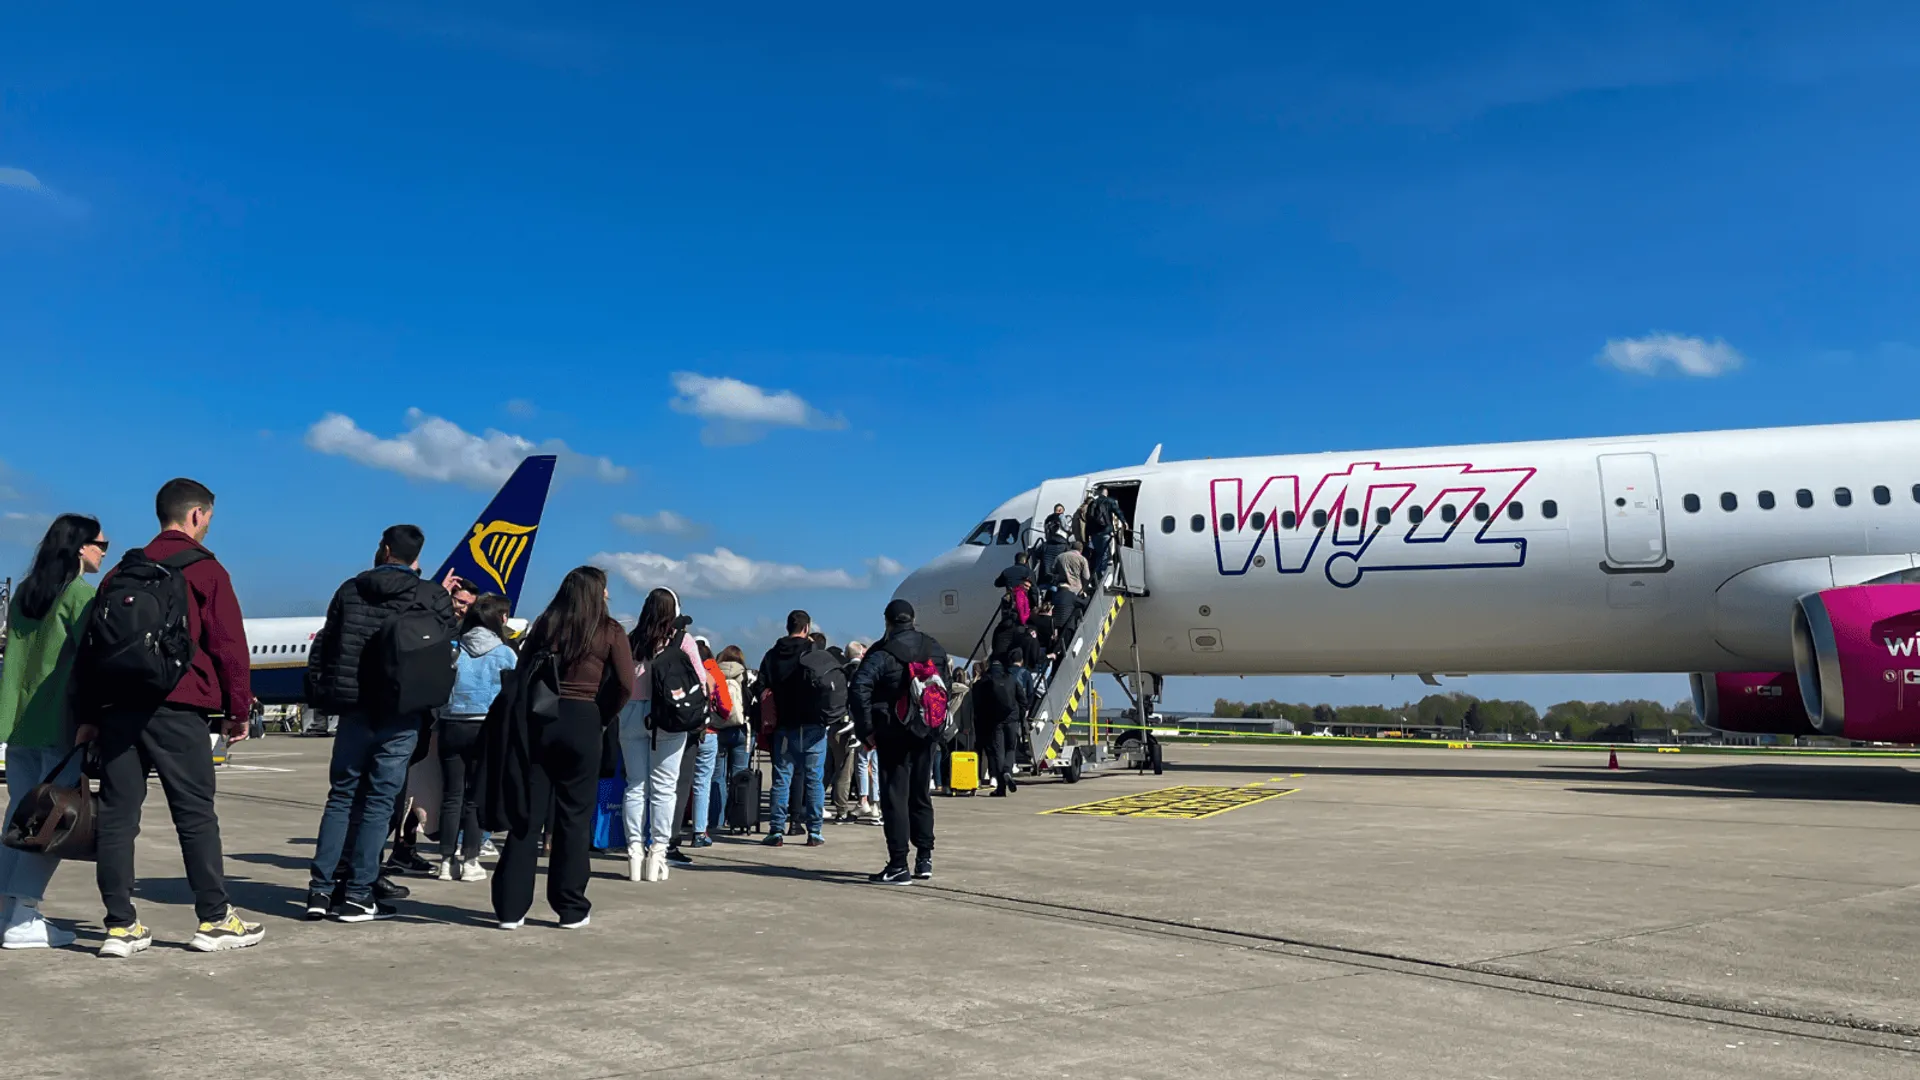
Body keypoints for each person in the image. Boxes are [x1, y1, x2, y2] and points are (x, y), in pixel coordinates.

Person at [89, 479, 263, 957]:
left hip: (118, 710)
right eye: (207, 518)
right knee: (194, 816)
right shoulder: (206, 571)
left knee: (118, 817)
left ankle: (120, 927)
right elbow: (229, 646)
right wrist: (238, 710)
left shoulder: (119, 572)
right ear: (195, 517)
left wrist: (88, 714)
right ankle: (214, 919)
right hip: (178, 706)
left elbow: (89, 648)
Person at [303, 524, 459, 922]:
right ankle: (358, 893)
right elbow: (446, 649)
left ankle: (320, 891)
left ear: (384, 549)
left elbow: (326, 645)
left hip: (354, 709)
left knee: (340, 798)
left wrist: (324, 697)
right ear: (416, 557)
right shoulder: (429, 596)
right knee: (378, 802)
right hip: (401, 711)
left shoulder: (349, 591)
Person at [494, 566, 632, 929]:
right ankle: (570, 907)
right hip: (584, 719)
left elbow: (523, 670)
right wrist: (601, 714)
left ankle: (511, 908)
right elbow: (625, 685)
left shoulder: (545, 623)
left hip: (541, 718)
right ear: (595, 593)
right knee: (574, 818)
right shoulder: (610, 630)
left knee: (528, 813)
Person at [0, 514, 106, 948]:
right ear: (80, 547)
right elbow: (93, 659)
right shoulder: (80, 595)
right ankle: (24, 914)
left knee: (19, 817)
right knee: (55, 820)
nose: (104, 551)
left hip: (19, 721)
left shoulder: (25, 593)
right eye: (101, 543)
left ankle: (7, 908)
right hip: (60, 723)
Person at [848, 599, 950, 885]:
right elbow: (947, 686)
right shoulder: (934, 647)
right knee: (920, 795)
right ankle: (925, 858)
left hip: (893, 732)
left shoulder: (882, 652)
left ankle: (897, 864)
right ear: (914, 619)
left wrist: (866, 728)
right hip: (927, 731)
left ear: (888, 622)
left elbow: (859, 688)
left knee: (895, 797)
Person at [617, 587, 709, 883]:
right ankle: (657, 854)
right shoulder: (683, 640)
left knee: (635, 785)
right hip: (668, 716)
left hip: (632, 713)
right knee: (664, 788)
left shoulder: (631, 640)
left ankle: (633, 854)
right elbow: (701, 680)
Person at [437, 593, 516, 882]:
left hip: (451, 723)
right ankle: (470, 860)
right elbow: (512, 696)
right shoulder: (505, 653)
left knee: (451, 795)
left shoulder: (454, 647)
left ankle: (446, 861)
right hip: (484, 726)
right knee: (474, 797)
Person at [758, 611, 831, 847]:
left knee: (781, 779)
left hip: (784, 724)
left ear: (787, 626)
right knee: (814, 780)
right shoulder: (813, 653)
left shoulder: (772, 655)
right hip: (813, 724)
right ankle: (815, 832)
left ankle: (776, 830)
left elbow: (760, 688)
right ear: (807, 628)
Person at [711, 645, 752, 832]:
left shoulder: (713, 674)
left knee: (717, 777)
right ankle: (737, 819)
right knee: (739, 776)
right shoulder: (746, 676)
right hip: (741, 730)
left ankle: (716, 820)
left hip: (718, 728)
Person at [977, 658, 1028, 797]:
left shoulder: (986, 681)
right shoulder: (1011, 679)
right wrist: (1019, 715)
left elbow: (980, 704)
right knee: (1011, 748)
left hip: (995, 721)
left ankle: (1001, 788)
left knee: (998, 752)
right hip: (1012, 719)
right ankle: (1007, 771)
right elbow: (1023, 700)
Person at [1084, 486, 1124, 588]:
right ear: (1105, 492)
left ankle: (1097, 579)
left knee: (1099, 556)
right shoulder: (1109, 501)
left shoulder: (1092, 503)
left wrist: (1087, 536)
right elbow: (1118, 512)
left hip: (1094, 534)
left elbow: (1088, 521)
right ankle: (1104, 580)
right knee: (1106, 557)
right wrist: (1124, 522)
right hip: (1106, 532)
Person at [1053, 540, 1092, 627]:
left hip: (1062, 589)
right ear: (1081, 550)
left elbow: (1053, 570)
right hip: (1076, 590)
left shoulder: (1060, 556)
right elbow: (1086, 577)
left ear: (1071, 547)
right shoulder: (1082, 559)